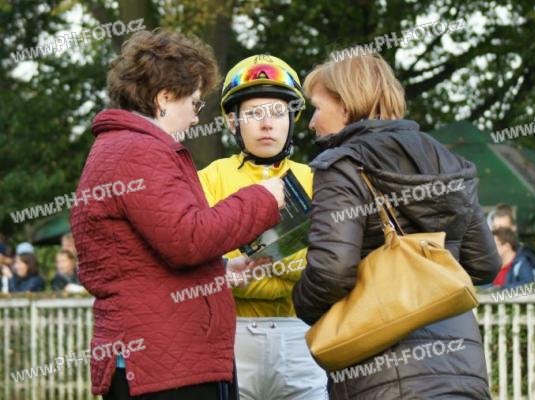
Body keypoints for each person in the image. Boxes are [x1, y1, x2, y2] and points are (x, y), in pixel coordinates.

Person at [70, 30, 284, 400]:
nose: (196, 117)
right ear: (165, 98)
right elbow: (188, 238)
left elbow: (145, 259)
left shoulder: (124, 147)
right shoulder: (139, 151)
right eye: (195, 103)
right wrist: (263, 199)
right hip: (163, 367)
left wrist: (222, 273)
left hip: (160, 358)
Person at [292, 51, 500, 399]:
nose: (312, 122)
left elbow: (332, 271)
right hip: (462, 369)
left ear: (345, 105)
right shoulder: (450, 161)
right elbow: (485, 264)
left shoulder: (341, 165)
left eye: (316, 108)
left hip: (382, 372)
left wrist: (302, 303)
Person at [198, 54, 327, 400]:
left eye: (277, 112)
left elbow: (325, 265)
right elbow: (203, 263)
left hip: (302, 336)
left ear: (292, 120)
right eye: (254, 113)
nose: (267, 124)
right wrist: (288, 263)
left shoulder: (316, 178)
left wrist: (249, 265)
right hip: (230, 336)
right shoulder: (208, 179)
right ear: (232, 121)